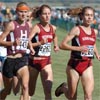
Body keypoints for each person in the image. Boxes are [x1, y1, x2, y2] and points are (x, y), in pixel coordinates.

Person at [55, 6, 100, 100]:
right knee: (72, 97)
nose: (89, 17)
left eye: (91, 15)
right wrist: (78, 48)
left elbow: (92, 43)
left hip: (87, 64)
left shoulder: (94, 32)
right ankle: (64, 88)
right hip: (74, 65)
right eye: (87, 15)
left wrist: (97, 54)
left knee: (88, 96)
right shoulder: (77, 30)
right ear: (82, 16)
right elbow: (62, 45)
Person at [0, 2, 32, 100]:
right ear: (17, 12)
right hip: (9, 61)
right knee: (7, 91)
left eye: (25, 12)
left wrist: (30, 47)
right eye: (21, 12)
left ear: (28, 13)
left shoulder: (28, 25)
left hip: (22, 60)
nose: (23, 14)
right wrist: (12, 44)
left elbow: (27, 39)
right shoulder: (11, 25)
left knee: (26, 87)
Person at [28, 4, 59, 100]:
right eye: (45, 14)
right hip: (34, 62)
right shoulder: (36, 28)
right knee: (30, 91)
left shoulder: (52, 28)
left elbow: (54, 36)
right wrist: (39, 43)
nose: (47, 16)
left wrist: (55, 45)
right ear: (40, 15)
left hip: (46, 62)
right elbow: (27, 42)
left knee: (48, 89)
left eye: (49, 13)